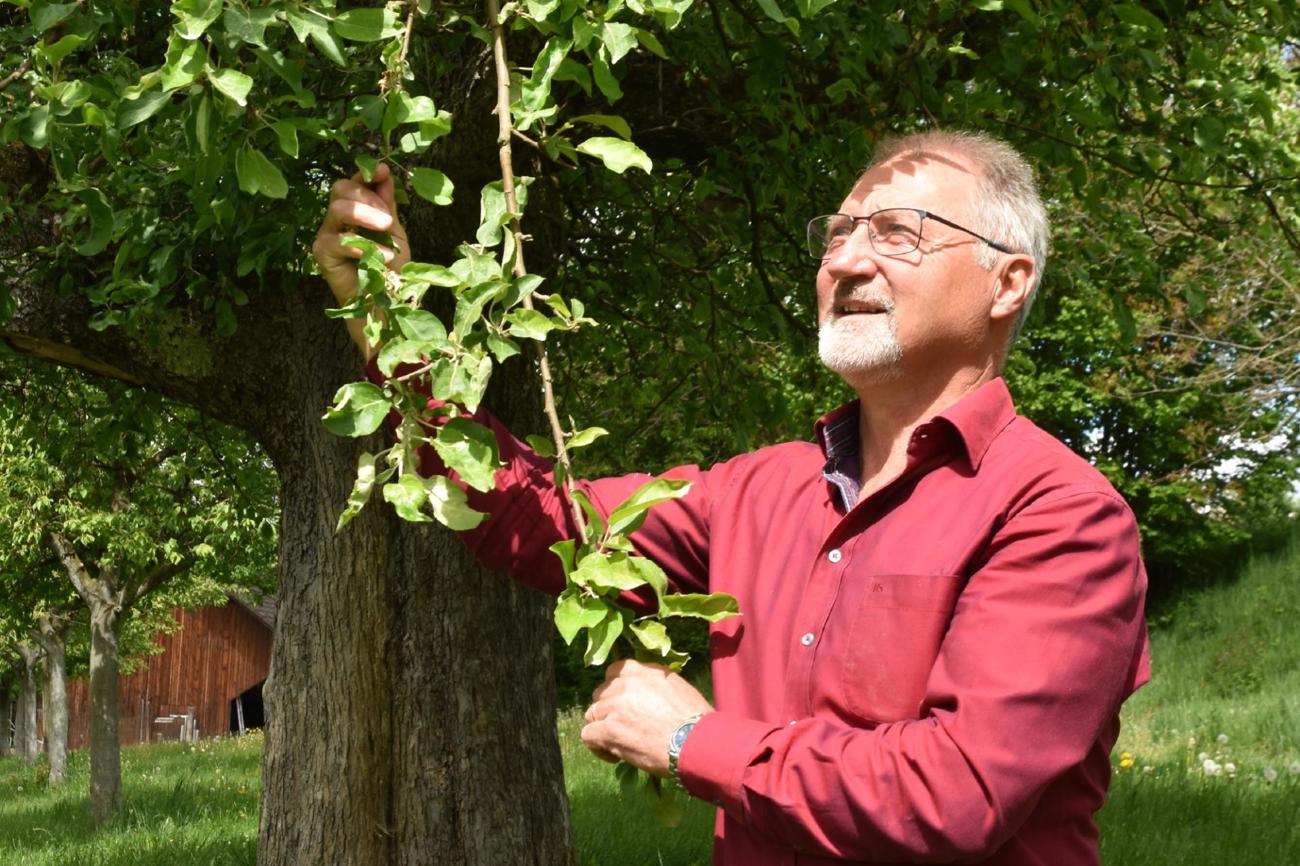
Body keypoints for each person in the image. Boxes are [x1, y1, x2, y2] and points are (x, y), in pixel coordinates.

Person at [314, 130, 1151, 866]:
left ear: (1007, 282)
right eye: (837, 234)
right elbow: (540, 521)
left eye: (899, 232)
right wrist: (387, 319)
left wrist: (692, 740)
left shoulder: (1060, 515)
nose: (846, 261)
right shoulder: (757, 490)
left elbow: (953, 793)